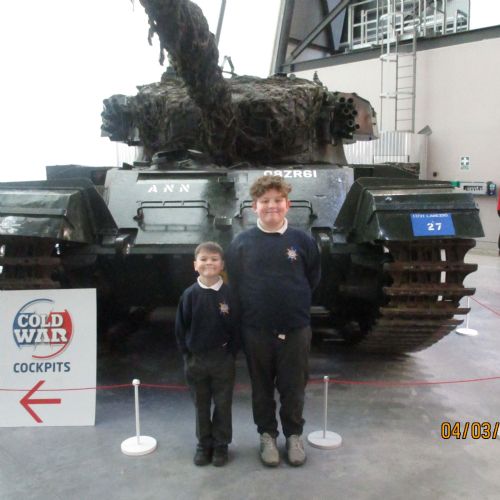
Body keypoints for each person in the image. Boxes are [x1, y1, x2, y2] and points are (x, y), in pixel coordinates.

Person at [225, 175, 321, 467]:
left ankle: (293, 435)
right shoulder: (241, 243)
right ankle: (267, 434)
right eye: (265, 201)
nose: (271, 206)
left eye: (278, 200)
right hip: (256, 329)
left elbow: (313, 278)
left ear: (287, 204)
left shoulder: (303, 241)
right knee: (262, 387)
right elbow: (234, 284)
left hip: (295, 327)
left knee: (294, 387)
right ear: (254, 206)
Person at [175, 241, 238, 467]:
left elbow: (236, 327)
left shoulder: (230, 294)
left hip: (222, 359)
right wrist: (188, 355)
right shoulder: (189, 295)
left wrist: (231, 353)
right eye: (203, 259)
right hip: (196, 360)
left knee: (223, 404)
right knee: (201, 405)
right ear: (195, 265)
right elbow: (180, 328)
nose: (208, 263)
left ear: (222, 264)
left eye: (214, 259)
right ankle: (204, 444)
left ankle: (221, 445)